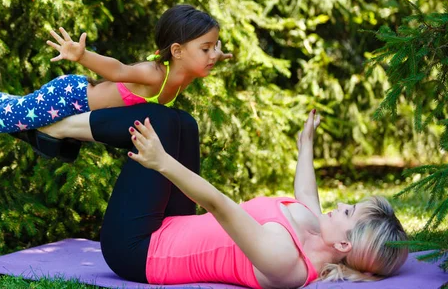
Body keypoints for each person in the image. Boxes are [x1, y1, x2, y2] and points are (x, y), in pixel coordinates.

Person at [36, 105, 409, 287]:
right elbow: (305, 194)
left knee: (161, 126)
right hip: (171, 224)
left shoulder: (284, 262)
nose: (341, 205)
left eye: (349, 212)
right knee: (184, 124)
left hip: (137, 251)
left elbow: (216, 202)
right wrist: (306, 144)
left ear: (345, 243)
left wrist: (162, 162)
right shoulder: (317, 231)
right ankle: (56, 135)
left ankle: (54, 127)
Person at [0, 5, 232, 158]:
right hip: (71, 98)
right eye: (206, 47)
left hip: (72, 99)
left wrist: (214, 53)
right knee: (3, 121)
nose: (214, 53)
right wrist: (83, 56)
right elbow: (117, 70)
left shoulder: (181, 75)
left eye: (215, 46)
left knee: (15, 106)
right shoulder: (155, 75)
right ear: (177, 50)